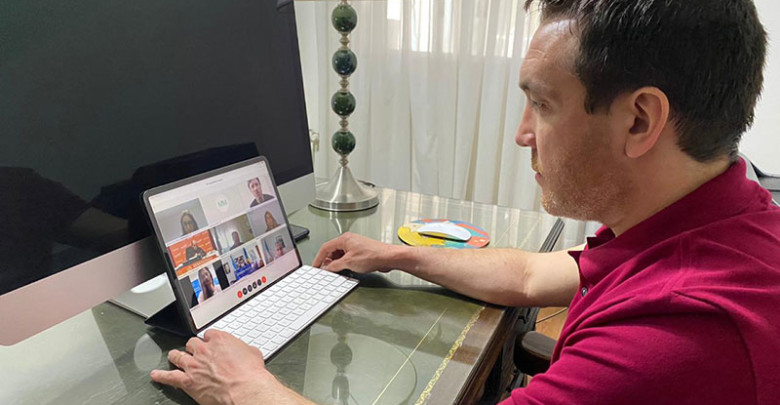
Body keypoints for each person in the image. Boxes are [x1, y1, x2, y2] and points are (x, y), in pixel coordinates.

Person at [150, 1, 780, 404]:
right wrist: (395, 255)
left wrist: (246, 387)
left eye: (543, 104)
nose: (523, 133)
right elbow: (532, 275)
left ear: (640, 120)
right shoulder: (718, 220)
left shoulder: (682, 333)